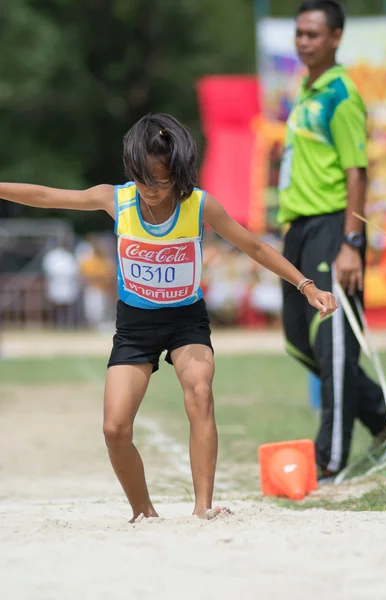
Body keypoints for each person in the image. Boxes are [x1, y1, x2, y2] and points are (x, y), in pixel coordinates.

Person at [0, 113, 337, 521]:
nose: (153, 190)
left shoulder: (198, 204)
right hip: (135, 326)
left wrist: (307, 286)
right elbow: (48, 197)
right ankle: (144, 514)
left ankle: (203, 508)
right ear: (132, 171)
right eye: (144, 180)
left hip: (185, 321)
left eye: (163, 181)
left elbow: (255, 247)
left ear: (178, 173)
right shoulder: (117, 199)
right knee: (115, 428)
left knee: (199, 390)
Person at [278, 0, 386, 483]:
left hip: (333, 225)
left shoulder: (341, 95)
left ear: (335, 38)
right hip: (299, 228)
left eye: (313, 34)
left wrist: (352, 241)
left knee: (334, 342)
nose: (304, 41)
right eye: (299, 33)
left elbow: (357, 170)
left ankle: (328, 459)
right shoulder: (305, 90)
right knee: (295, 335)